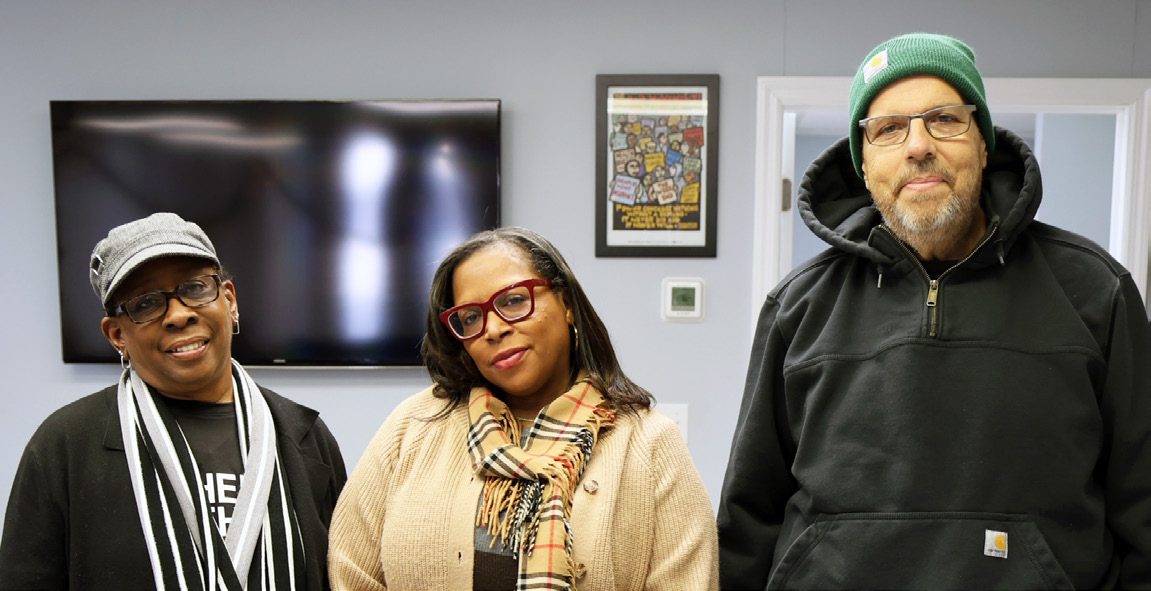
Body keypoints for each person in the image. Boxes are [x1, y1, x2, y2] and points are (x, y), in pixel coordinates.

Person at [717, 32, 1151, 590]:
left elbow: (1142, 511)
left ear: (983, 145)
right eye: (888, 129)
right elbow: (748, 523)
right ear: (864, 163)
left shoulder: (1095, 290)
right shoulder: (797, 308)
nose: (918, 145)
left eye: (944, 119)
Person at [328, 226, 718, 590]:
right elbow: (351, 571)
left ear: (566, 304)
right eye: (471, 317)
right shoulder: (413, 425)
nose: (493, 329)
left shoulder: (649, 442)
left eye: (514, 300)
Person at [0, 212, 347, 590]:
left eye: (195, 288)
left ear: (229, 300)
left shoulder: (305, 437)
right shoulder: (65, 446)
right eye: (146, 303)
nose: (178, 315)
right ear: (116, 335)